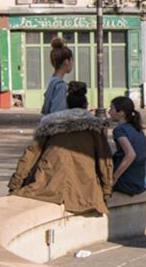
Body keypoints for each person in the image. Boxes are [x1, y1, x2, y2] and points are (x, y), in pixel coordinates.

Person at [9, 81, 112, 214]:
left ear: (67, 105)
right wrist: (106, 190)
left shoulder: (50, 124)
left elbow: (31, 154)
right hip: (84, 188)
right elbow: (104, 161)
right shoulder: (95, 128)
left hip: (48, 183)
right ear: (86, 105)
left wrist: (15, 184)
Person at [108, 96, 146, 196]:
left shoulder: (119, 130)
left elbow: (131, 154)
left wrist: (114, 177)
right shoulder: (137, 128)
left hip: (129, 182)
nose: (109, 112)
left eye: (111, 109)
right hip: (141, 179)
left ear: (121, 113)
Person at [41, 37, 74, 115]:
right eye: (72, 60)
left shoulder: (52, 82)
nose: (73, 63)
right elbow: (58, 114)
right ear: (66, 61)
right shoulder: (60, 86)